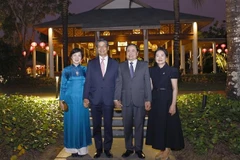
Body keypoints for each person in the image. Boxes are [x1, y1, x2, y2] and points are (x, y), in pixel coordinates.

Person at [145, 47, 184, 160]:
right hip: (156, 100)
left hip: (167, 99)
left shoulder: (172, 70)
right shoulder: (151, 70)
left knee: (168, 125)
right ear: (155, 58)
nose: (160, 58)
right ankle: (162, 149)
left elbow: (175, 89)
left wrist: (173, 104)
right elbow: (151, 87)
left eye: (162, 55)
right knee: (158, 125)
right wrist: (148, 100)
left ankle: (167, 149)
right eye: (157, 56)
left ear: (166, 57)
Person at [114, 44, 151, 159]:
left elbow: (147, 84)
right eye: (128, 51)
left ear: (137, 53)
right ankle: (129, 148)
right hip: (126, 101)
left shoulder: (144, 65)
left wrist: (148, 99)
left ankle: (139, 149)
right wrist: (116, 98)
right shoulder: (121, 66)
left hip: (140, 100)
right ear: (126, 53)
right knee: (127, 126)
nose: (130, 53)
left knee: (139, 125)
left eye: (133, 51)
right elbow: (119, 83)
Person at [83, 38, 118, 158]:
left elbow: (118, 82)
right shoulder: (91, 63)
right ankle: (98, 149)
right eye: (99, 47)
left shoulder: (115, 63)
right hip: (95, 99)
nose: (102, 49)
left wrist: (117, 98)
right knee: (96, 126)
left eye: (104, 46)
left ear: (108, 48)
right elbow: (88, 81)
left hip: (109, 99)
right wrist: (86, 97)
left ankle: (107, 149)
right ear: (96, 49)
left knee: (108, 125)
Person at [59, 48, 92, 157]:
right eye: (74, 55)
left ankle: (82, 149)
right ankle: (73, 149)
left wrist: (88, 98)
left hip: (82, 101)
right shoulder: (66, 70)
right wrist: (61, 100)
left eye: (79, 55)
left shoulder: (85, 70)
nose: (77, 58)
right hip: (70, 102)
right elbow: (63, 86)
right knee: (72, 124)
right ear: (71, 57)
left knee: (82, 123)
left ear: (82, 58)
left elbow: (89, 86)